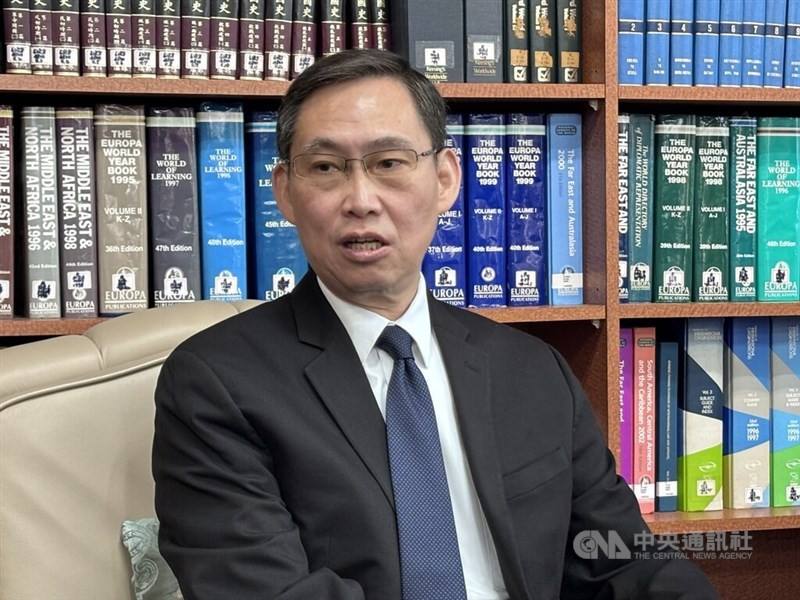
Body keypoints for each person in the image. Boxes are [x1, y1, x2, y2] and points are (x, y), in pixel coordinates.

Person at [152, 49, 718, 600]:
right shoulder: (217, 382)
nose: (361, 199)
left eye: (389, 163)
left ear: (445, 178)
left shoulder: (530, 368)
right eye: (325, 168)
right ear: (285, 193)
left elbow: (620, 560)